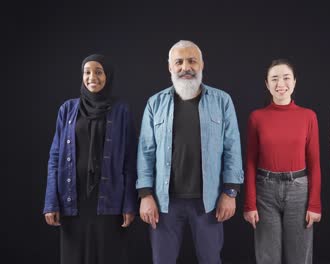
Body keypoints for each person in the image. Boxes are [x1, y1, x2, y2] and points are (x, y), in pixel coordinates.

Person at [137, 40, 244, 264]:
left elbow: (232, 147)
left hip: (209, 202)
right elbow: (146, 151)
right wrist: (145, 195)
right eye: (179, 62)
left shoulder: (222, 101)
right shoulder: (155, 103)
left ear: (202, 64)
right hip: (164, 202)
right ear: (170, 67)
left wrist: (231, 192)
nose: (186, 67)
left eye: (192, 61)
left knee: (210, 260)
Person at [43, 54, 138, 264]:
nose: (92, 77)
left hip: (109, 199)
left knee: (109, 256)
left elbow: (131, 160)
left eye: (98, 71)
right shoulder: (67, 109)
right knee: (74, 257)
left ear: (108, 76)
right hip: (72, 199)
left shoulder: (121, 109)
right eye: (87, 72)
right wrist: (51, 202)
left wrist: (129, 204)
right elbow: (55, 157)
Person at [243, 59, 322, 264]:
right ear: (267, 84)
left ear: (294, 82)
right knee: (267, 256)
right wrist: (249, 204)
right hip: (265, 190)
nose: (281, 84)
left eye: (286, 78)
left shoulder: (308, 116)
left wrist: (315, 204)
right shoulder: (257, 117)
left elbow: (314, 163)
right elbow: (250, 162)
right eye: (274, 79)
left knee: (300, 256)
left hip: (299, 190)